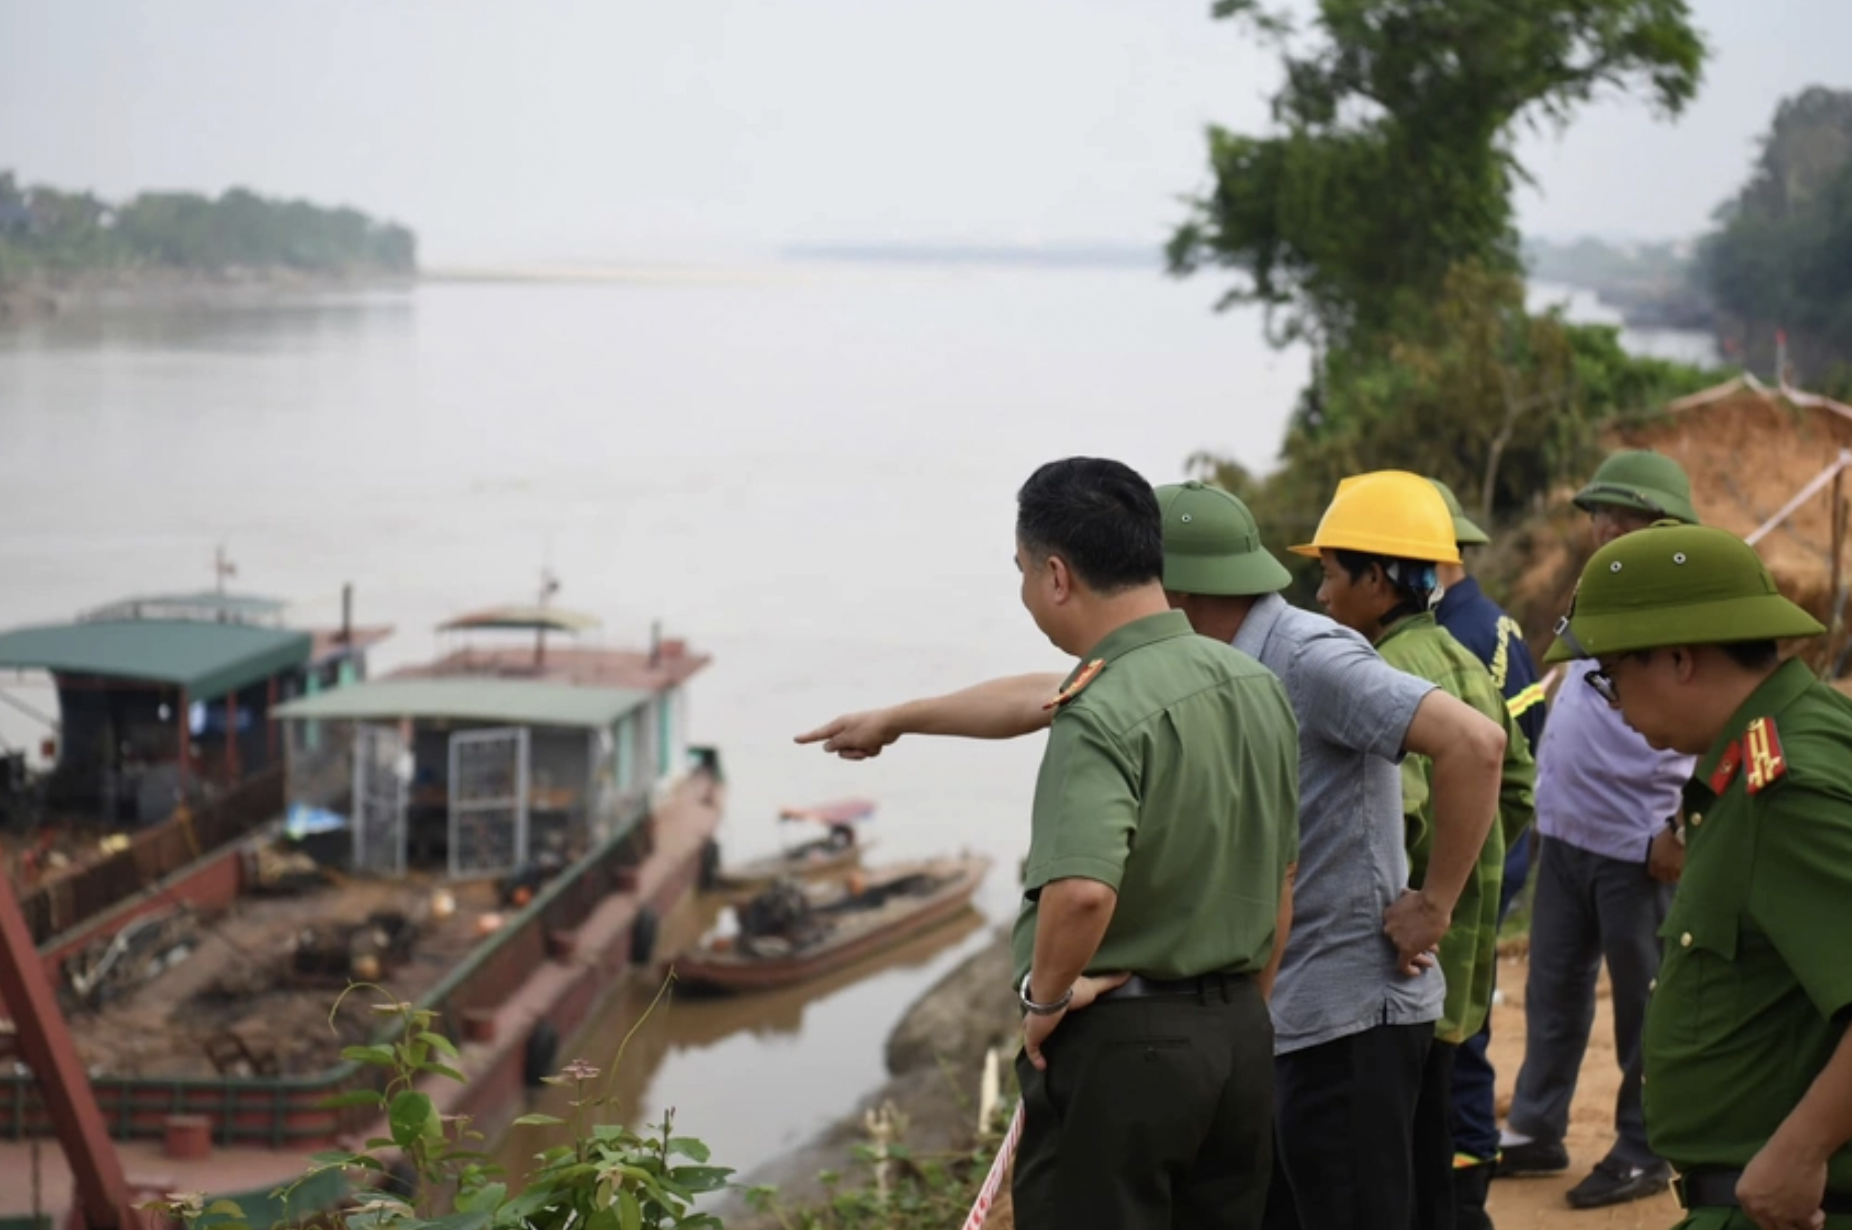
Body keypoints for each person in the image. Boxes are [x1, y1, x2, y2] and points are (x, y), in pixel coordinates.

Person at [798, 478, 1511, 1230]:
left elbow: (1476, 742)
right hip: (1259, 1015)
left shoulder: (1302, 657)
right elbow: (1047, 694)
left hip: (1345, 1014)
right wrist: (899, 718)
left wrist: (1432, 904)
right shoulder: (1216, 668)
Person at [1008, 457, 1297, 1229]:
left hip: (1123, 1051)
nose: (1027, 593)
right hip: (1238, 1033)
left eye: (1024, 572)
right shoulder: (1253, 684)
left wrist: (1043, 1001)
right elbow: (1283, 878)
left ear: (1058, 576)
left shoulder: (1098, 707)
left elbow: (1082, 891)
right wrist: (1240, 1011)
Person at [1543, 521, 1852, 1230]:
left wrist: (1802, 1150)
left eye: (1613, 676)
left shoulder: (1787, 788)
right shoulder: (1778, 746)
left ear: (1680, 659)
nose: (1614, 704)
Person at [1294, 469, 1536, 1230]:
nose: (1323, 597)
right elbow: (1519, 787)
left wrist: (1425, 902)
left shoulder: (1385, 675)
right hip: (1457, 965)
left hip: (1396, 967)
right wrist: (1465, 888)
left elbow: (1391, 819)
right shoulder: (1461, 658)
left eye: (1331, 575)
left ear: (1376, 577)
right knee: (1442, 1138)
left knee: (1383, 1174)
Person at [1498, 450, 1699, 1209]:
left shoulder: (1687, 601)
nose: (1601, 527)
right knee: (1553, 991)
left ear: (1664, 523)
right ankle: (1537, 1129)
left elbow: (1716, 721)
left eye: (1620, 513)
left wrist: (1680, 827)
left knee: (1648, 1008)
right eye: (1596, 513)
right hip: (1569, 830)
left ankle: (1646, 1148)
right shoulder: (1599, 590)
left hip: (1640, 843)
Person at [1428, 477, 1548, 1227]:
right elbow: (1528, 752)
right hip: (1504, 847)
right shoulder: (1500, 627)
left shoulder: (1447, 643)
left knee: (1453, 1024)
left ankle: (1464, 1177)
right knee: (1463, 1013)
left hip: (1470, 859)